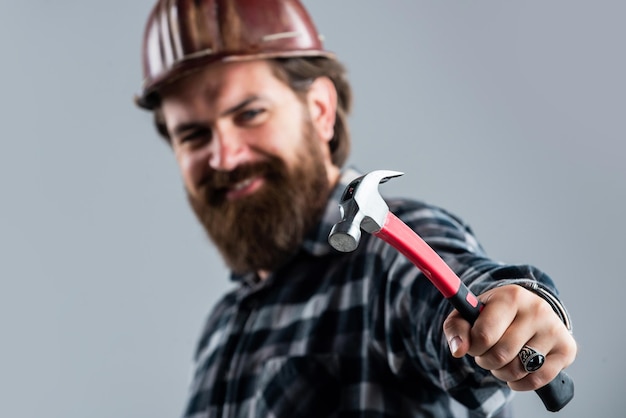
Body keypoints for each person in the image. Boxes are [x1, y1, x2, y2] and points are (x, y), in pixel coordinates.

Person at [135, 1, 577, 416]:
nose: (224, 157)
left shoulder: (383, 257)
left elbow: (454, 295)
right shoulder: (221, 329)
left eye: (250, 113)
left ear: (320, 110)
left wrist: (515, 311)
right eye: (192, 136)